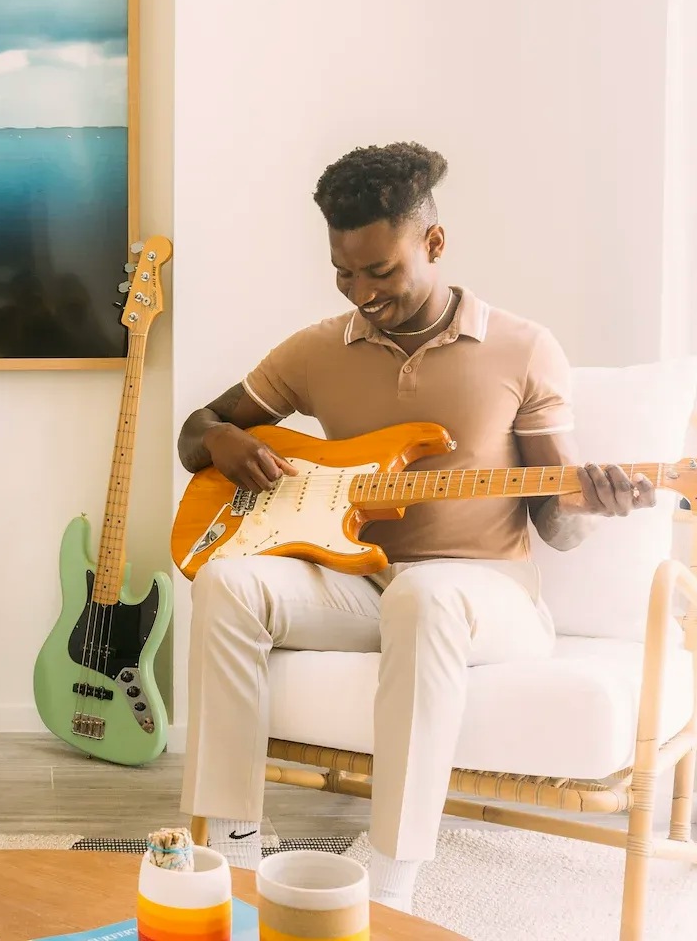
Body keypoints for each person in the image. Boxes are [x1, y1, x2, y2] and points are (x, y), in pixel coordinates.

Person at [175, 142, 656, 913]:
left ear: (433, 244)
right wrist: (224, 441)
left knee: (424, 595)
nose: (361, 292)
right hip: (359, 585)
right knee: (228, 581)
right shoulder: (315, 350)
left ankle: (393, 883)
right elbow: (197, 428)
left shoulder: (523, 349)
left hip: (486, 599)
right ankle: (227, 855)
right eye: (344, 272)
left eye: (382, 272)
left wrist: (589, 506)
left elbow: (555, 523)